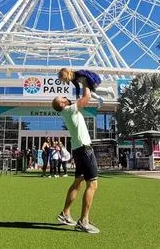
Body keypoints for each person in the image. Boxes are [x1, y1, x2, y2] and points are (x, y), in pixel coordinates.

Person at [51, 70, 102, 234]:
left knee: (77, 182)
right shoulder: (70, 109)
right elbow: (86, 98)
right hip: (85, 149)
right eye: (63, 98)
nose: (65, 97)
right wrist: (86, 82)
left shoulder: (67, 111)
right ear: (62, 104)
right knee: (92, 184)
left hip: (77, 150)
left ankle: (65, 214)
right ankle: (83, 221)